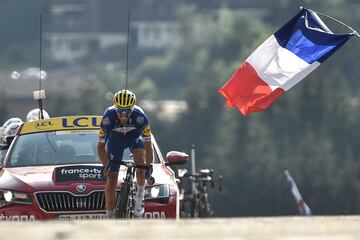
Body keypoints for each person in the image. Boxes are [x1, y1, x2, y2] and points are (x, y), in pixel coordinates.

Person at [97, 89, 153, 218]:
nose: (123, 114)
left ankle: (139, 197)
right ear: (115, 108)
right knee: (111, 179)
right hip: (115, 141)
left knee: (141, 164)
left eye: (127, 111)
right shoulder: (108, 118)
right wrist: (106, 165)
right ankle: (109, 217)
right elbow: (100, 146)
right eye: (120, 110)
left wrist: (148, 166)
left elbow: (148, 146)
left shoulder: (140, 117)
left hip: (134, 138)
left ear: (132, 109)